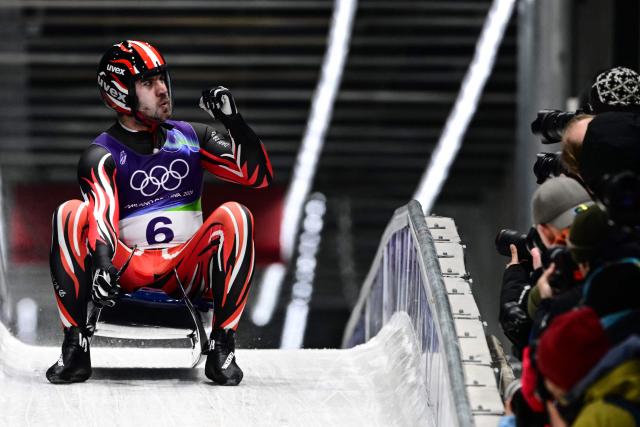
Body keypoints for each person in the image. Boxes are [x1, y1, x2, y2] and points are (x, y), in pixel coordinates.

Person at [46, 40, 273, 385]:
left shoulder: (192, 136)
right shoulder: (99, 154)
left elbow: (258, 177)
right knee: (69, 213)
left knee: (237, 215)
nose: (163, 89)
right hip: (126, 269)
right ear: (121, 92)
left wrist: (234, 123)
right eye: (149, 83)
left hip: (187, 269)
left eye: (162, 79)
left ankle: (223, 347)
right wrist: (104, 264)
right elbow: (101, 211)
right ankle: (74, 347)